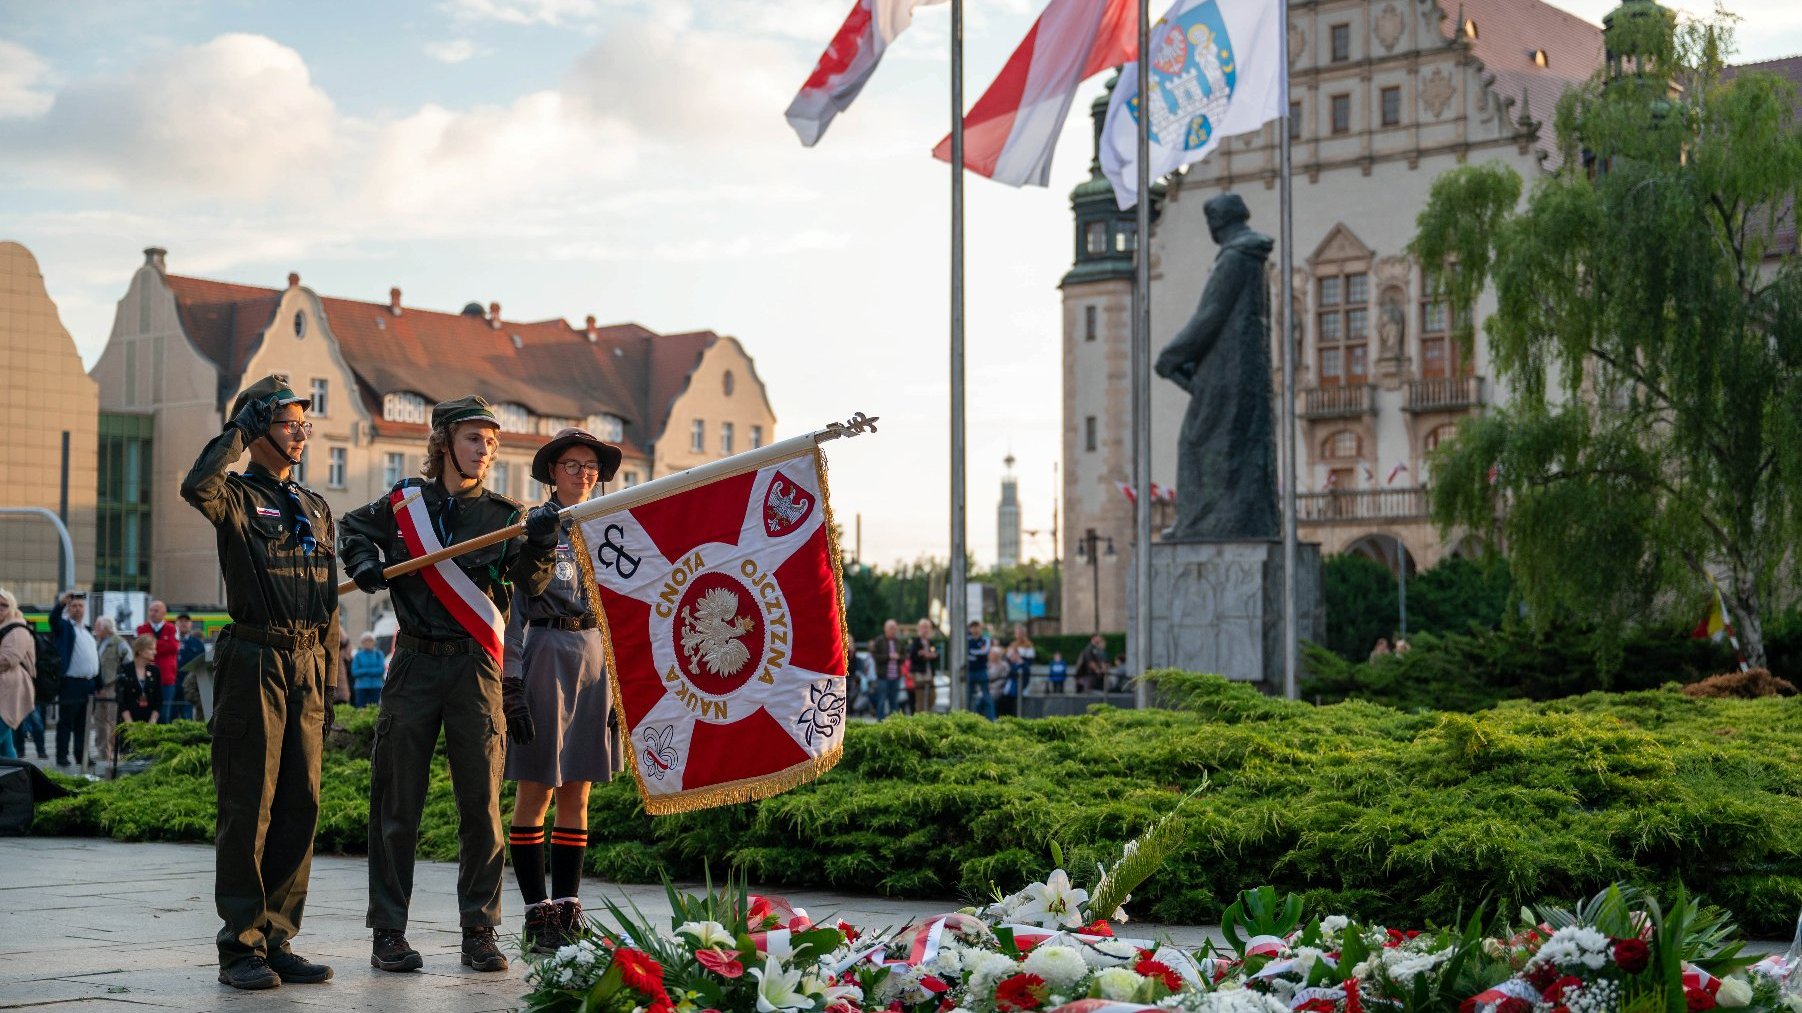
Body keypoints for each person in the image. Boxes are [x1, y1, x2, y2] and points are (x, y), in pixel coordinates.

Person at [340, 394, 558, 976]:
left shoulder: (506, 515)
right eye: (473, 438)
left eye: (491, 441)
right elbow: (351, 528)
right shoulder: (401, 504)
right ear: (443, 443)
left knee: (481, 807)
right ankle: (388, 931)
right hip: (413, 663)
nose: (485, 449)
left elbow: (533, 582)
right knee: (396, 802)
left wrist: (540, 542)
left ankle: (480, 932)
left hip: (474, 669)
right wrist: (362, 561)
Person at [180, 373, 341, 990]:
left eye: (305, 424)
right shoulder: (238, 499)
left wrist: (326, 687)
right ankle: (240, 945)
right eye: (288, 422)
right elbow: (198, 485)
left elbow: (326, 607)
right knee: (250, 806)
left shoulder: (316, 507)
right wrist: (238, 435)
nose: (301, 433)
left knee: (301, 805)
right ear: (258, 427)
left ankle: (277, 937)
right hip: (254, 661)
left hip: (306, 663)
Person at [504, 426, 623, 953]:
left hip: (596, 656)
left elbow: (623, 611)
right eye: (572, 464)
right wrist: (510, 680)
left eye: (590, 465)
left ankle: (569, 906)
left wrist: (624, 688)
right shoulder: (529, 526)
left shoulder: (609, 530)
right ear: (552, 471)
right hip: (546, 651)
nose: (583, 473)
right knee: (537, 788)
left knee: (579, 787)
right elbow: (510, 610)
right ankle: (536, 909)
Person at [51, 592, 99, 767]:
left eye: (80, 606)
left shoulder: (86, 630)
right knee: (66, 722)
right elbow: (53, 621)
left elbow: (94, 658)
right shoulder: (65, 627)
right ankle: (61, 756)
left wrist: (98, 683)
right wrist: (60, 604)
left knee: (84, 723)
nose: (78, 609)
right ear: (69, 609)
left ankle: (81, 755)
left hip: (89, 683)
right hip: (71, 683)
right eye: (74, 606)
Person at [0, 589, 36, 761]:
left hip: (9, 692)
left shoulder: (18, 629)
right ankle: (15, 783)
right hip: (5, 692)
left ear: (12, 607)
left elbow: (8, 659)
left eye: (4, 605)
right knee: (6, 746)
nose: (0, 608)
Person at [136, 601, 181, 724]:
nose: (152, 613)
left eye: (156, 611)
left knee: (164, 714)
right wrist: (163, 644)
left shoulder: (171, 628)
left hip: (166, 679)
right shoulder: (142, 628)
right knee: (146, 713)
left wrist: (151, 645)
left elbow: (173, 647)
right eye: (151, 610)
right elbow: (141, 648)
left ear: (163, 613)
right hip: (146, 678)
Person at [91, 616, 127, 762]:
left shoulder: (119, 642)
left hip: (113, 685)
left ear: (106, 628)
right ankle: (102, 751)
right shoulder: (98, 643)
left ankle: (113, 750)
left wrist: (121, 679)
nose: (95, 629)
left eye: (98, 627)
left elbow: (128, 660)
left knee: (113, 719)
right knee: (99, 719)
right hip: (99, 686)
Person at [116, 635, 160, 728]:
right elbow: (121, 699)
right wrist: (129, 723)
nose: (155, 652)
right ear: (140, 651)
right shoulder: (125, 669)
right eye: (151, 649)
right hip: (128, 722)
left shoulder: (155, 671)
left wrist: (152, 722)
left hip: (149, 723)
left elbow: (159, 699)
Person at [869, 619, 906, 720]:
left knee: (894, 701)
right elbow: (875, 655)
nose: (893, 630)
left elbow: (904, 656)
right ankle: (880, 721)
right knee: (882, 700)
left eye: (894, 628)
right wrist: (888, 657)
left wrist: (898, 657)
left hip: (896, 677)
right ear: (885, 629)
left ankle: (894, 722)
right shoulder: (879, 640)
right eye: (891, 628)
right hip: (883, 677)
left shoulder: (898, 642)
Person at [173, 613, 205, 720]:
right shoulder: (170, 641)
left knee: (188, 719)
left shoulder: (197, 644)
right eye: (181, 621)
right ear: (176, 624)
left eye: (186, 621)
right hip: (172, 686)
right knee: (169, 720)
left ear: (191, 624)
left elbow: (202, 665)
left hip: (189, 688)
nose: (183, 623)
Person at [906, 619, 938, 715]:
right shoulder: (915, 641)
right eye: (923, 627)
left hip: (929, 673)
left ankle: (926, 714)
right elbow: (913, 655)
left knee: (932, 696)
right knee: (920, 698)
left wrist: (930, 655)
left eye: (927, 627)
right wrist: (924, 655)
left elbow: (935, 655)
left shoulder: (930, 642)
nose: (925, 630)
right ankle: (920, 719)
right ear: (919, 628)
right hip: (919, 673)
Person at [965, 621, 996, 720]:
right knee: (968, 696)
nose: (975, 630)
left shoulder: (985, 639)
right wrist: (976, 654)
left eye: (977, 627)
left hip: (981, 671)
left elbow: (984, 652)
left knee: (986, 695)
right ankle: (967, 718)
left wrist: (972, 653)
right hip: (970, 671)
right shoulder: (967, 640)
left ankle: (991, 718)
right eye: (973, 627)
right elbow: (965, 654)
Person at [350, 633, 387, 708]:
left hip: (376, 686)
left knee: (374, 707)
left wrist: (364, 671)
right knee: (360, 708)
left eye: (370, 640)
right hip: (361, 687)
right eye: (365, 641)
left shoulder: (378, 654)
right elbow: (354, 672)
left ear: (374, 642)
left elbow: (381, 670)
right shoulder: (358, 655)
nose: (367, 643)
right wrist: (371, 671)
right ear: (362, 643)